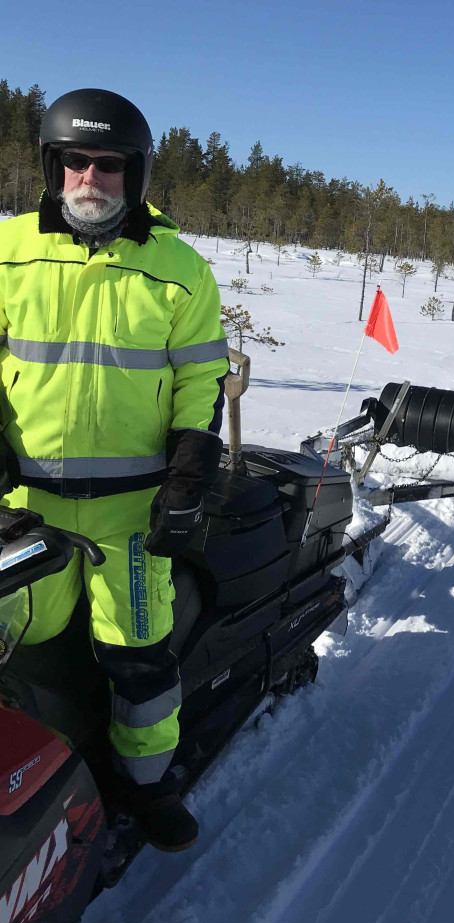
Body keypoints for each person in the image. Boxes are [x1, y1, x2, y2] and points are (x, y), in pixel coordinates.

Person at [0, 88, 229, 851]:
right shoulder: (7, 254)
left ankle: (148, 785)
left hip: (133, 511)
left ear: (136, 174)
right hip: (26, 505)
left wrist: (191, 472)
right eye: (75, 161)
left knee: (140, 660)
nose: (89, 177)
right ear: (51, 165)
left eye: (108, 164)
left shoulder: (180, 270)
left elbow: (201, 381)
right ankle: (27, 791)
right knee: (16, 648)